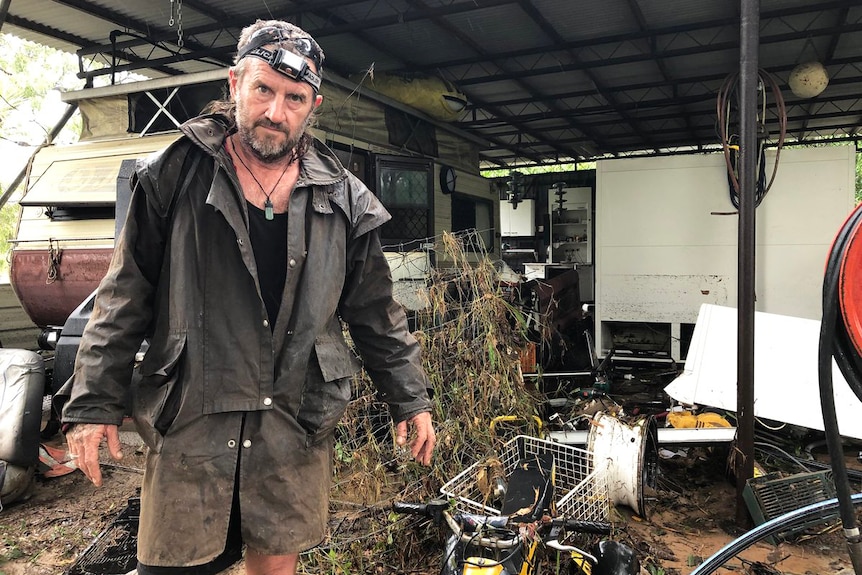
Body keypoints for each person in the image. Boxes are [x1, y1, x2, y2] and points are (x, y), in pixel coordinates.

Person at [56, 19, 435, 575]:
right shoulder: (178, 172)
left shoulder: (342, 196)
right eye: (263, 89)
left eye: (294, 98)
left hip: (291, 411)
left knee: (276, 561)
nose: (276, 112)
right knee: (174, 562)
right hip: (193, 410)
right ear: (235, 83)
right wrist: (92, 402)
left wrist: (411, 398)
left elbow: (376, 311)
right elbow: (124, 293)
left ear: (314, 105)